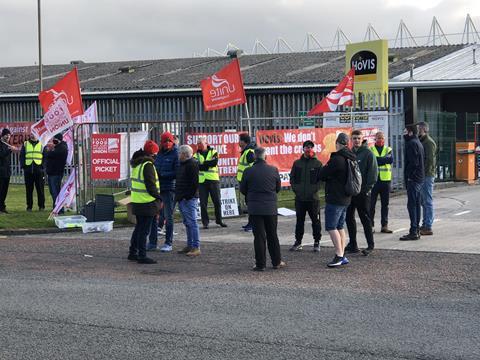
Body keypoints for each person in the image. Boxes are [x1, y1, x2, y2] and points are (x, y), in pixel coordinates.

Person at [240, 147, 285, 271]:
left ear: (255, 157)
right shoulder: (273, 170)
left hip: (255, 208)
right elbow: (278, 188)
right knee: (272, 235)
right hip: (270, 207)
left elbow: (243, 189)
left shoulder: (248, 171)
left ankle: (260, 264)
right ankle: (276, 261)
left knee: (259, 237)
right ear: (265, 157)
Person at [317, 133, 356, 267]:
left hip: (335, 197)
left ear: (337, 144)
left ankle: (339, 255)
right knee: (340, 226)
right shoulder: (350, 157)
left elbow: (322, 174)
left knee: (331, 226)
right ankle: (342, 254)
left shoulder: (337, 159)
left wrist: (324, 169)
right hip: (346, 196)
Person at [128, 140, 162, 264]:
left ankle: (133, 252)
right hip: (147, 202)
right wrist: (159, 197)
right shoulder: (148, 165)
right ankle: (142, 255)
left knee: (139, 228)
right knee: (144, 231)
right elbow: (151, 185)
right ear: (152, 154)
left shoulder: (138, 164)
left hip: (138, 202)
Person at [345, 130, 378, 256]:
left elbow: (373, 174)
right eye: (354, 138)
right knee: (349, 217)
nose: (356, 140)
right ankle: (353, 244)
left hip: (362, 193)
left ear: (362, 139)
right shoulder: (349, 153)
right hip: (350, 192)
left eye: (358, 138)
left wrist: (366, 190)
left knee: (365, 218)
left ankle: (370, 245)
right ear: (351, 139)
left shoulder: (368, 154)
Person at [288, 140, 323, 252]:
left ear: (313, 149)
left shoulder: (318, 164)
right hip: (300, 199)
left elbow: (321, 181)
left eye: (310, 147)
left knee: (315, 221)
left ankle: (317, 242)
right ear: (303, 149)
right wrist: (296, 190)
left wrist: (313, 191)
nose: (308, 149)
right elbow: (292, 178)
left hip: (313, 199)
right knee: (299, 221)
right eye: (306, 147)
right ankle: (298, 242)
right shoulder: (297, 163)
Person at [148, 131, 179, 252]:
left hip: (169, 189)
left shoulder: (175, 154)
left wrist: (163, 175)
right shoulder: (160, 153)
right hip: (159, 188)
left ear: (172, 142)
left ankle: (168, 242)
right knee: (154, 216)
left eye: (169, 141)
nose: (167, 143)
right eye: (165, 141)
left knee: (168, 217)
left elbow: (177, 172)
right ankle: (152, 242)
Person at [194, 136, 227, 229]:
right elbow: (197, 166)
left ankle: (219, 220)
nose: (199, 145)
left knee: (217, 201)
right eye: (198, 143)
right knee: (203, 203)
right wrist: (207, 164)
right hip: (202, 182)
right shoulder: (195, 155)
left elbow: (214, 162)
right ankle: (205, 222)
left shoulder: (214, 151)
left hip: (213, 180)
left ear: (206, 143)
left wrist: (203, 164)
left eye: (200, 143)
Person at [400, 125, 425, 241]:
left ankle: (413, 230)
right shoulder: (418, 143)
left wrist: (409, 177)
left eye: (405, 131)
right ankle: (416, 230)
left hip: (414, 179)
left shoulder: (411, 144)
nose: (403, 134)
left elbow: (413, 163)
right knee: (416, 204)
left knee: (412, 205)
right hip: (419, 178)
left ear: (410, 133)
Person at [175, 145, 201, 257]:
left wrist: (188, 196)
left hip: (188, 198)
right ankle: (190, 245)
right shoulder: (184, 164)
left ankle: (196, 246)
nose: (178, 155)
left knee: (192, 223)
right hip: (182, 198)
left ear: (185, 154)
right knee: (187, 223)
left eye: (179, 153)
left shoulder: (192, 164)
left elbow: (194, 183)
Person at [369, 131, 394, 234]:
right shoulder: (371, 149)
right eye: (378, 138)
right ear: (375, 139)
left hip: (385, 181)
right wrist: (382, 160)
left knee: (385, 205)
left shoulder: (388, 149)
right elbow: (372, 161)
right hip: (374, 181)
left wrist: (377, 160)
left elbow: (390, 160)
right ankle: (370, 225)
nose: (380, 140)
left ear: (384, 139)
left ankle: (384, 225)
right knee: (371, 205)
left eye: (382, 138)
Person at [417, 121, 437, 236]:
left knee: (427, 201)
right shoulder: (422, 141)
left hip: (427, 175)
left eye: (419, 129)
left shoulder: (429, 143)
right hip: (424, 175)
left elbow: (429, 161)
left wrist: (423, 174)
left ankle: (428, 226)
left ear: (424, 129)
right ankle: (425, 224)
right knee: (423, 201)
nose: (418, 131)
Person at [20, 132, 45, 211]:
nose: (32, 135)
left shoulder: (42, 144)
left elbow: (45, 156)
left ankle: (41, 206)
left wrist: (42, 167)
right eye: (31, 133)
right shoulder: (25, 144)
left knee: (40, 189)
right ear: (29, 135)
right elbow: (22, 156)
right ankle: (29, 206)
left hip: (39, 170)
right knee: (29, 190)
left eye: (34, 133)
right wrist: (24, 166)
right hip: (28, 170)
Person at [44, 133, 68, 214]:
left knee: (56, 192)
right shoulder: (58, 147)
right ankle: (56, 208)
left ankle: (58, 209)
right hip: (52, 173)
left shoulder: (62, 148)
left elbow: (51, 154)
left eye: (55, 139)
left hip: (56, 173)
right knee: (53, 192)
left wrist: (48, 150)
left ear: (59, 140)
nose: (53, 141)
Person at [236, 133, 256, 232]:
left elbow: (253, 167)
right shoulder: (246, 151)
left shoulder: (249, 152)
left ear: (244, 142)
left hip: (249, 183)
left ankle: (252, 224)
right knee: (249, 203)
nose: (238, 142)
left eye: (240, 140)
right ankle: (250, 222)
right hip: (245, 182)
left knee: (251, 204)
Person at [0, 128, 13, 213]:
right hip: (1, 171)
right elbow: (1, 155)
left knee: (5, 190)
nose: (8, 136)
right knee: (0, 190)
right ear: (3, 135)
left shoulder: (6, 144)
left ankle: (2, 207)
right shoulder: (1, 144)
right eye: (6, 135)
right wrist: (9, 151)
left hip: (7, 171)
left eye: (9, 135)